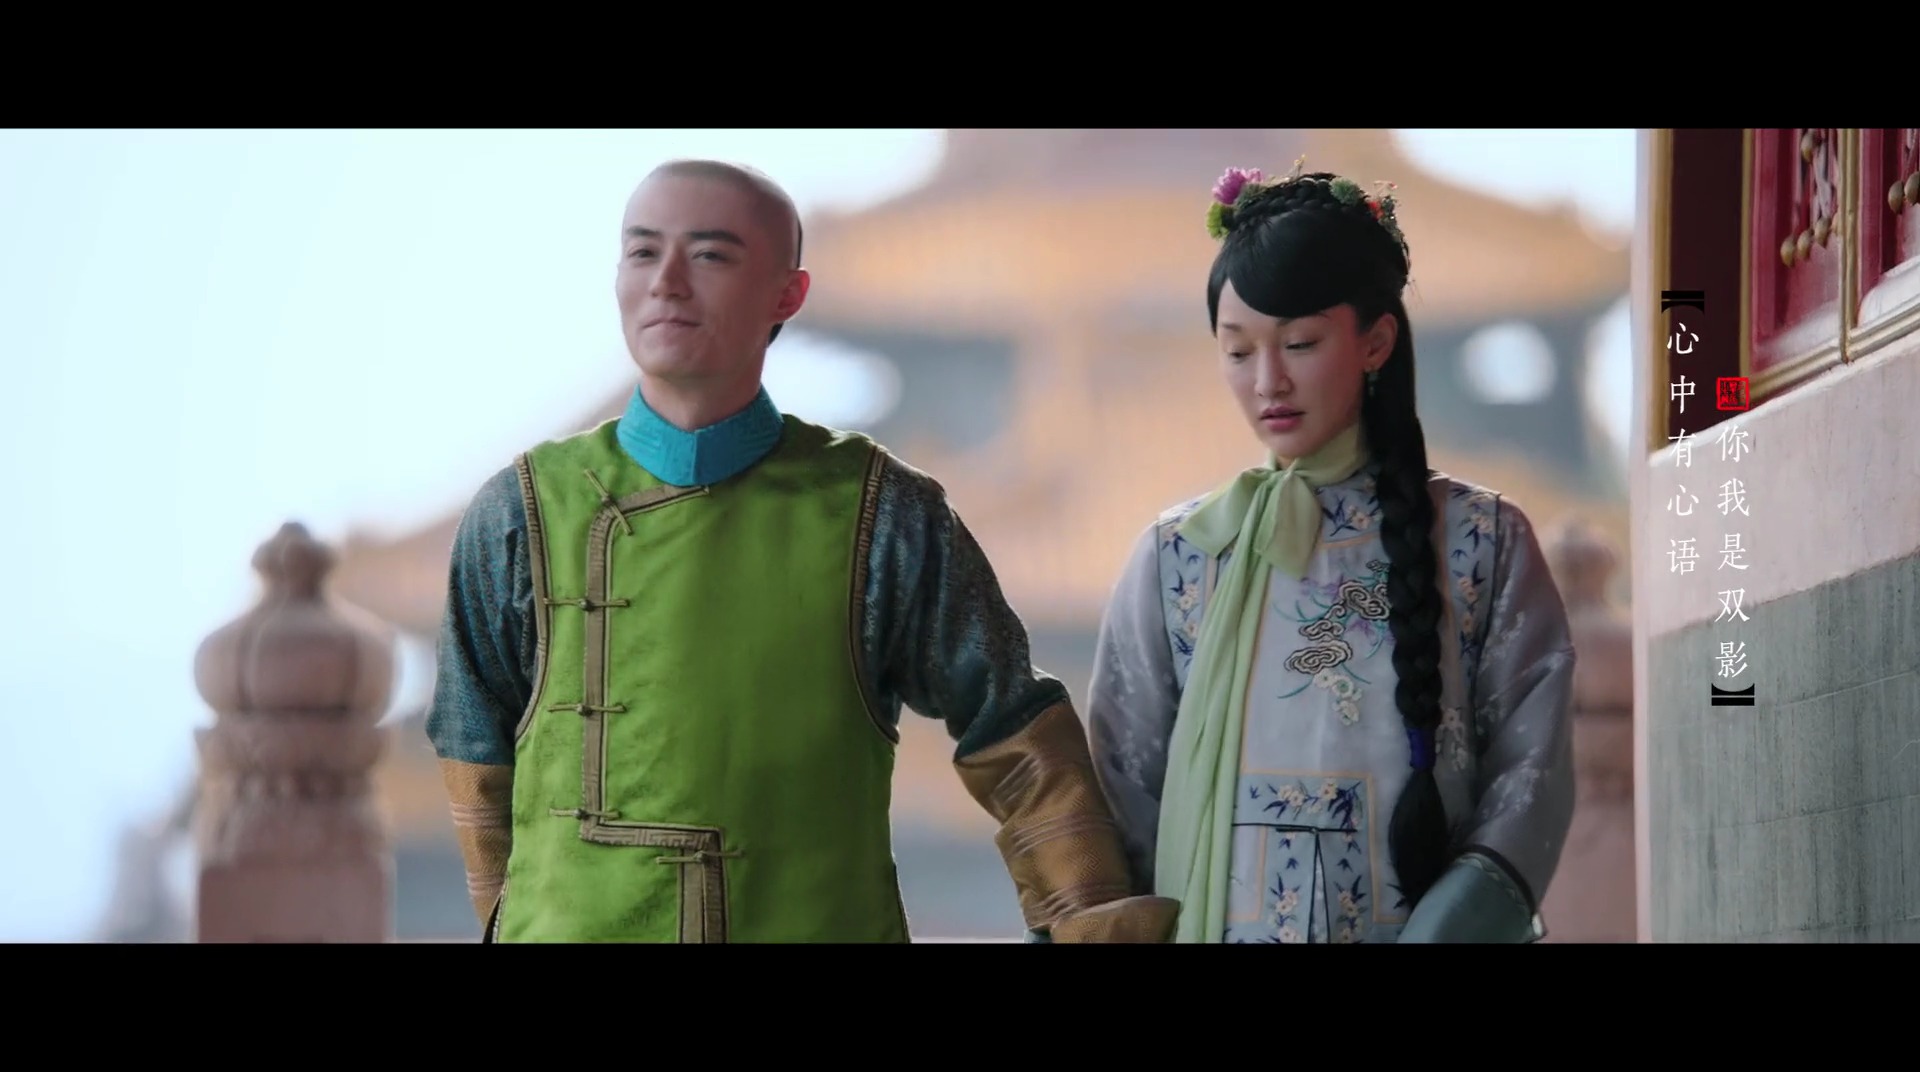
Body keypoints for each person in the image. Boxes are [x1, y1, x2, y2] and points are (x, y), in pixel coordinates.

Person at [424, 158, 1177, 944]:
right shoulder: (520, 513)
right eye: (642, 253)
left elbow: (1014, 728)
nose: (666, 284)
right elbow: (474, 754)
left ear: (788, 295)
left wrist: (1087, 911)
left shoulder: (880, 512)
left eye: (708, 255)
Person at [1085, 162, 1578, 943]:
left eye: (1300, 343)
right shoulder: (1179, 556)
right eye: (1238, 352)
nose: (1268, 382)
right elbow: (1120, 788)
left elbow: (1531, 775)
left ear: (1375, 341)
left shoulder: (1483, 541)